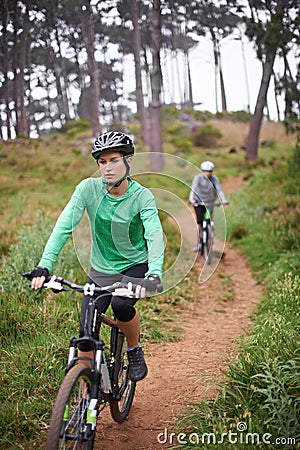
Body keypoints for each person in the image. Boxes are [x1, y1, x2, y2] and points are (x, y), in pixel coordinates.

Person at [28, 130, 164, 382]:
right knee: (86, 330)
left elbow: (154, 233)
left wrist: (154, 272)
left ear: (128, 161)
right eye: (102, 162)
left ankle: (133, 349)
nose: (107, 168)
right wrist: (44, 265)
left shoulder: (142, 196)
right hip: (101, 269)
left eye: (114, 160)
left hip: (135, 265)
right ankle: (84, 399)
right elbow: (64, 225)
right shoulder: (88, 189)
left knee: (122, 305)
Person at [189, 160, 228, 251]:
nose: (208, 173)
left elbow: (219, 190)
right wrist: (192, 200)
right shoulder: (197, 178)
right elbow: (193, 189)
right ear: (202, 171)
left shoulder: (215, 180)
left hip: (209, 203)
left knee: (209, 219)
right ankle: (198, 243)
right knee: (199, 223)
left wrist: (224, 200)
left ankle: (210, 234)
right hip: (198, 203)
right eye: (206, 171)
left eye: (210, 171)